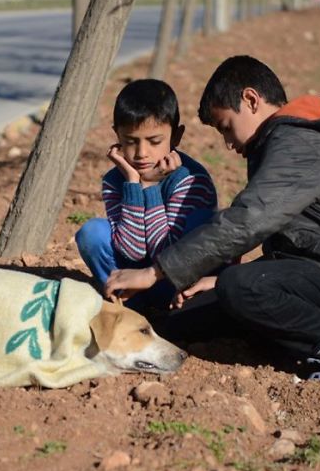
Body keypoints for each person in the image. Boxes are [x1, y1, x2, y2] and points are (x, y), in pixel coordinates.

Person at [104, 56, 320, 388]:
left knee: (241, 288)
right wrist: (218, 282)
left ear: (251, 100)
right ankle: (299, 336)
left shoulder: (298, 144)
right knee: (181, 324)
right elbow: (297, 244)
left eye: (227, 127)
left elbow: (247, 221)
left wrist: (154, 272)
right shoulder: (279, 141)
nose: (229, 144)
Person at [75, 78, 218, 311]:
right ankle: (126, 307)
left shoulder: (190, 180)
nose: (141, 153)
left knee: (201, 223)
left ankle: (181, 312)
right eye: (131, 141)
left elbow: (167, 254)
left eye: (154, 141)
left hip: (177, 283)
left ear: (176, 136)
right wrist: (134, 183)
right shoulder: (116, 180)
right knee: (93, 233)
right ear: (117, 137)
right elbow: (132, 250)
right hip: (131, 283)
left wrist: (150, 187)